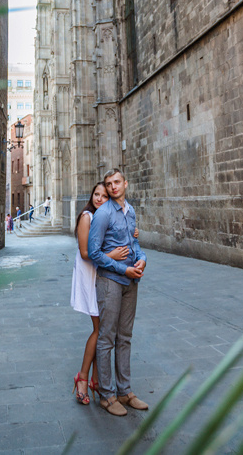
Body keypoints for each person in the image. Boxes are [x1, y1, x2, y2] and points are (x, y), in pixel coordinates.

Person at [88, 168, 148, 416]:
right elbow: (94, 253)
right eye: (108, 184)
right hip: (110, 281)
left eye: (116, 182)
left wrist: (143, 259)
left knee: (125, 336)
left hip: (131, 281)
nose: (112, 187)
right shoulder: (103, 214)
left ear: (126, 183)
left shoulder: (130, 211)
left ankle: (124, 391)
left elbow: (134, 244)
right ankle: (107, 395)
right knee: (107, 339)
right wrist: (123, 270)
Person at [71, 183, 131, 405]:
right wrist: (112, 255)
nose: (99, 198)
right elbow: (86, 253)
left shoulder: (103, 217)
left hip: (100, 273)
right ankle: (83, 377)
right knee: (99, 330)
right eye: (96, 194)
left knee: (104, 329)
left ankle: (96, 380)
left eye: (104, 196)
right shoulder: (87, 216)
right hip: (89, 275)